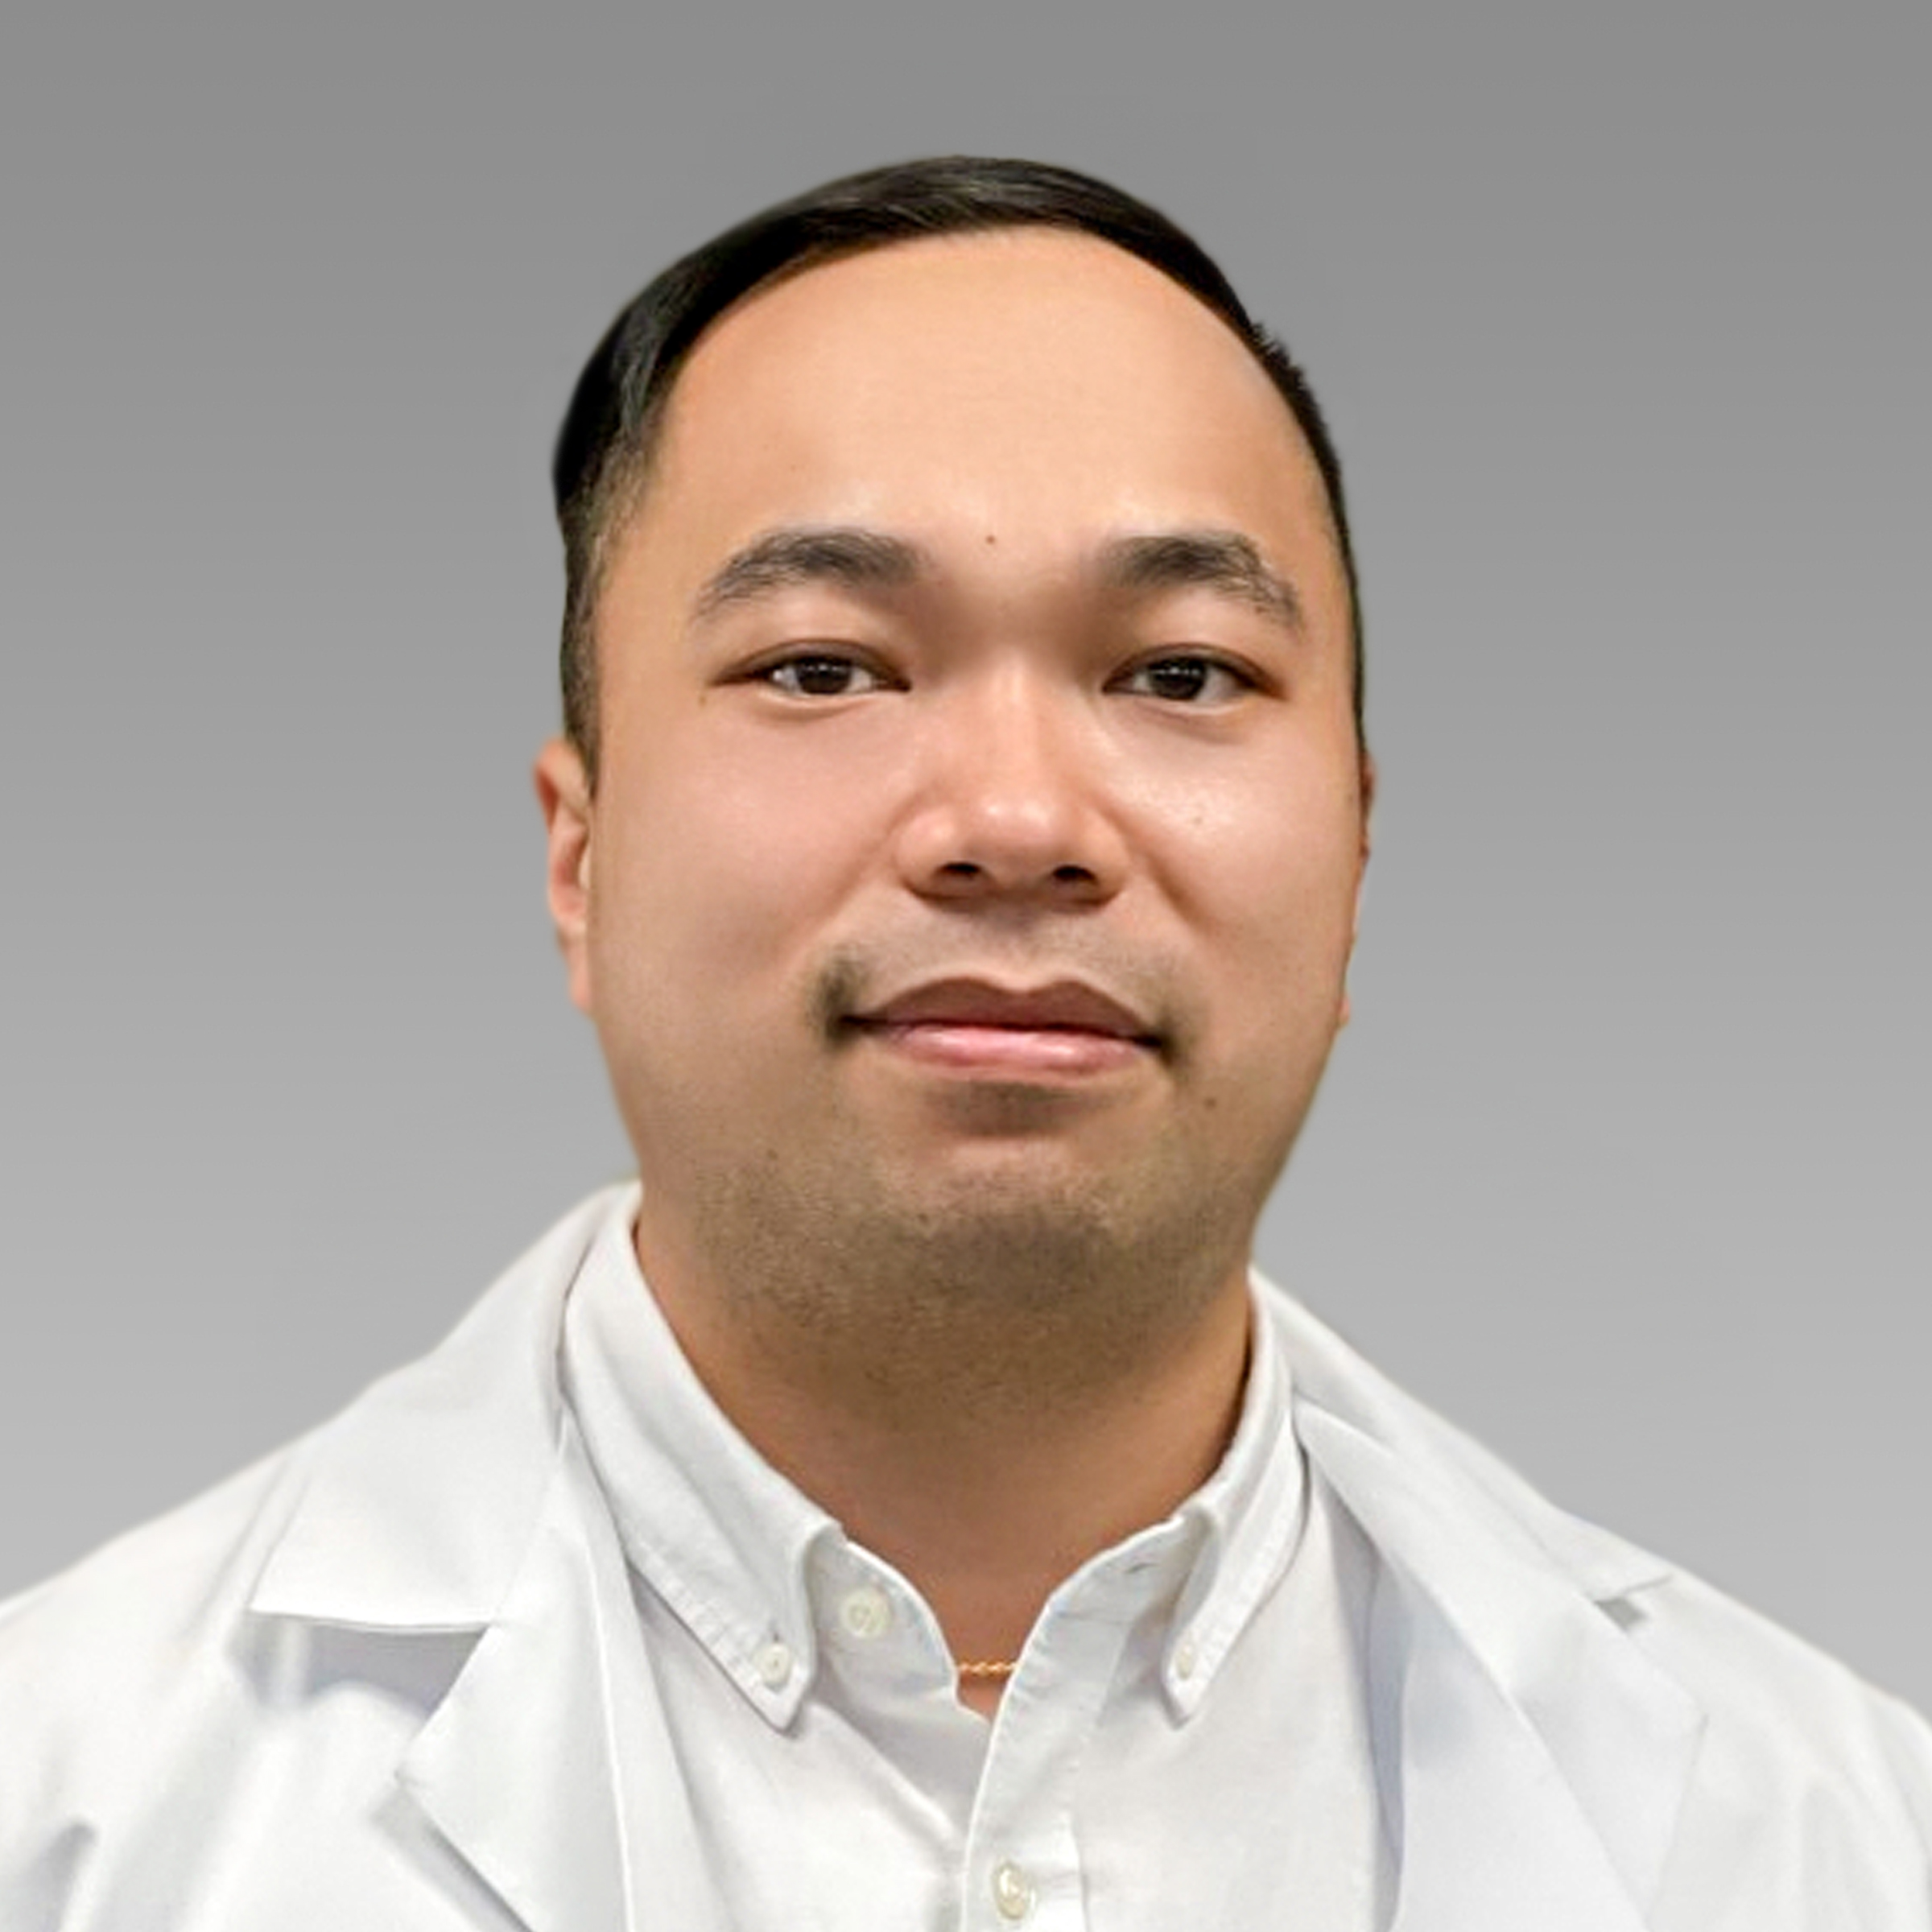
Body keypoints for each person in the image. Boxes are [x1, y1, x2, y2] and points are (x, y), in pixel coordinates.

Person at [2, 155, 1926, 1932]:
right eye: (823, 666)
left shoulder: (1823, 1841)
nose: (1016, 820)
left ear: (1354, 853)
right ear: (581, 861)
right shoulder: (69, 1812)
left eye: (1181, 672)